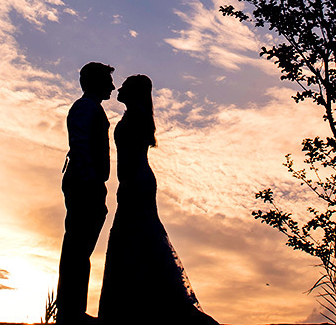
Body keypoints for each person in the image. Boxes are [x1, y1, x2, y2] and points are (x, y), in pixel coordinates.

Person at [98, 74, 217, 325]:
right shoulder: (134, 114)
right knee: (133, 237)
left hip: (136, 181)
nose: (118, 88)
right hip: (134, 180)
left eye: (125, 86)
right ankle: (139, 303)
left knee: (137, 235)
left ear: (134, 91)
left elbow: (130, 156)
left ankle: (147, 304)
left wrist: (126, 184)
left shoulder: (137, 114)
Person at [57, 61, 115, 325]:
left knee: (81, 248)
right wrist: (90, 178)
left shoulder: (93, 108)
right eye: (108, 81)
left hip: (89, 183)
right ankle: (71, 312)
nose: (113, 86)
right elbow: (78, 141)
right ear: (94, 82)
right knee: (77, 247)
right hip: (84, 183)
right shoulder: (85, 107)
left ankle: (74, 309)